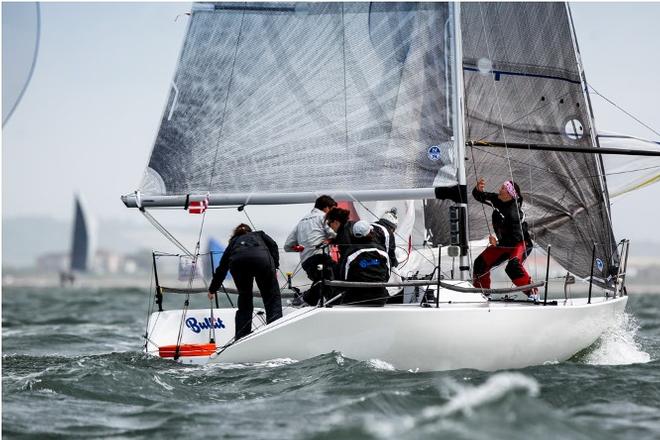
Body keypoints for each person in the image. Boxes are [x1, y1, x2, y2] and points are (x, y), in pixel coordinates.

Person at [208, 224, 282, 340]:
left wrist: (212, 289)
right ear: (250, 231)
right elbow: (273, 245)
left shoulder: (234, 242)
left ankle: (242, 337)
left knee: (245, 298)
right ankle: (275, 332)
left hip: (238, 264)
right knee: (271, 298)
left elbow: (222, 268)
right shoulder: (260, 235)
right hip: (262, 261)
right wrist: (275, 266)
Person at [471, 177, 538, 301]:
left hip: (521, 243)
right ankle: (482, 293)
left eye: (502, 188)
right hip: (505, 244)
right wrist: (477, 189)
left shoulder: (514, 214)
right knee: (480, 263)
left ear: (509, 194)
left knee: (512, 267)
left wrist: (496, 243)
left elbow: (516, 238)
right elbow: (479, 196)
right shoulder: (497, 199)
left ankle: (533, 293)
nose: (499, 189)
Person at [284, 195, 337, 305]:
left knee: (323, 282)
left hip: (306, 262)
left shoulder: (302, 221)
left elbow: (287, 246)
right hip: (320, 258)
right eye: (333, 210)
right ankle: (304, 299)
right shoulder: (323, 217)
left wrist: (301, 249)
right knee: (336, 277)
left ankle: (311, 301)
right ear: (327, 207)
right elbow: (335, 234)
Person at [340, 221, 390, 306]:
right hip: (379, 299)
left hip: (355, 298)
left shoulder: (350, 253)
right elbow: (387, 276)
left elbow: (343, 277)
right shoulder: (382, 252)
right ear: (370, 233)